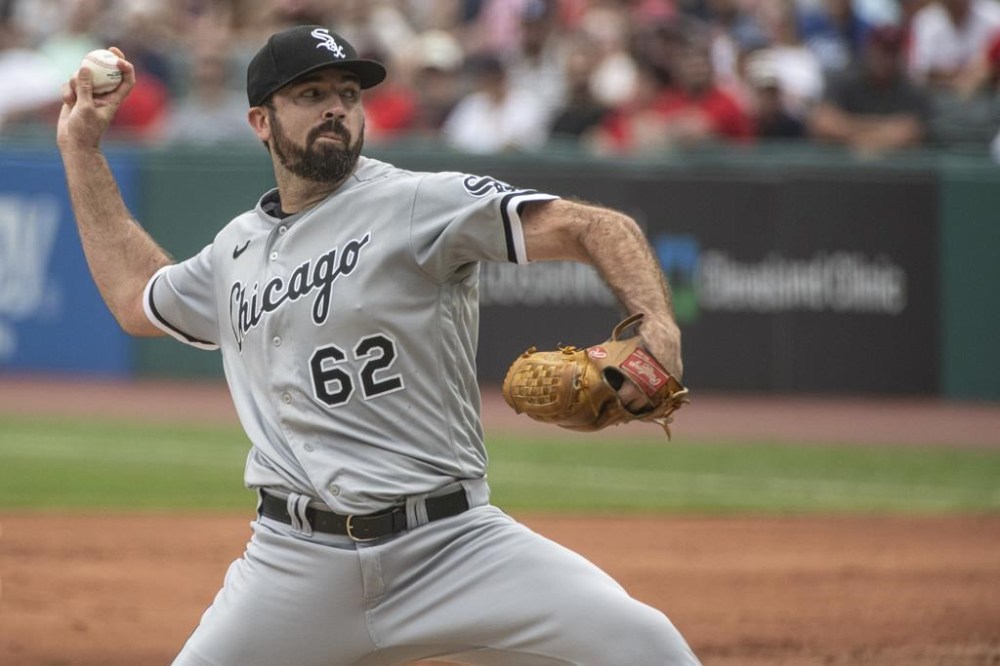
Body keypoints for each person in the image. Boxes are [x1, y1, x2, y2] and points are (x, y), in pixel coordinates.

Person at [56, 24, 700, 666]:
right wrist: (81, 149)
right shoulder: (235, 248)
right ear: (261, 120)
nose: (336, 105)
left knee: (648, 647)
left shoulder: (417, 202)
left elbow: (593, 225)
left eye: (347, 92)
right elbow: (136, 296)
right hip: (293, 564)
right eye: (310, 94)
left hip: (454, 548)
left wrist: (657, 325)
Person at [807, 25, 932, 154]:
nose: (886, 59)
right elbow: (824, 123)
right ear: (869, 50)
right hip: (842, 167)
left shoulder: (913, 91)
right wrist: (884, 131)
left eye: (892, 52)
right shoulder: (845, 79)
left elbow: (912, 132)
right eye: (881, 51)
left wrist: (849, 130)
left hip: (895, 168)